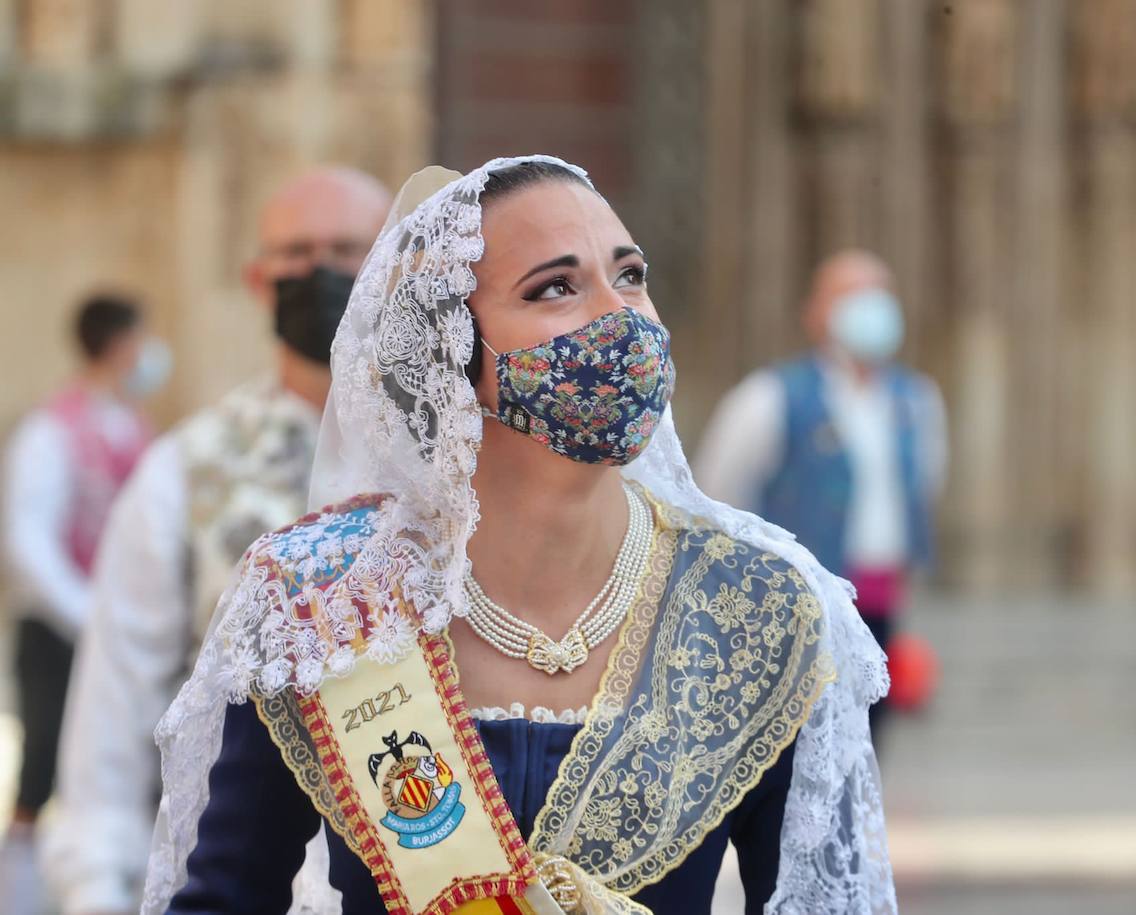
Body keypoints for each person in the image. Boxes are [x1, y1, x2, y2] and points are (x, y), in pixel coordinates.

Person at [141, 157, 896, 915]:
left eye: (630, 274)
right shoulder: (320, 599)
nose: (620, 316)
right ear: (451, 352)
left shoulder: (758, 607)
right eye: (556, 288)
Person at [44, 167, 392, 915]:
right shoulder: (183, 470)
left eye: (346, 249)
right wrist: (94, 890)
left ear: (395, 261)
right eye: (296, 253)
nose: (320, 272)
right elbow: (114, 711)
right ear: (258, 279)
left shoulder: (464, 458)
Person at [694, 249, 947, 740]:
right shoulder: (770, 397)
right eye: (850, 294)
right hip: (794, 609)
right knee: (799, 738)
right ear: (816, 313)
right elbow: (717, 494)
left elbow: (924, 486)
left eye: (879, 292)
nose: (869, 306)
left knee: (869, 735)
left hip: (878, 597)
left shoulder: (916, 401)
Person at [0, 294, 163, 915]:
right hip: (58, 631)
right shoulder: (51, 431)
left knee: (122, 766)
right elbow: (27, 539)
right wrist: (88, 611)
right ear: (121, 345)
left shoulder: (134, 426)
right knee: (41, 766)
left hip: (120, 630)